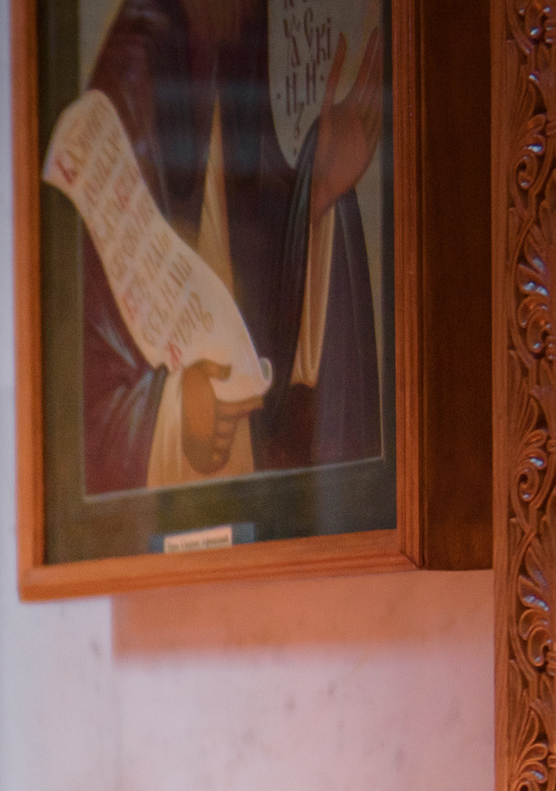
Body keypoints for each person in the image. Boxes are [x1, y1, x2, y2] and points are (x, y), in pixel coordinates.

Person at [75, 0, 386, 494]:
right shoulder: (133, 80)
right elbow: (84, 400)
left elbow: (258, 293)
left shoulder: (238, 52)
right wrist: (176, 413)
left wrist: (315, 196)